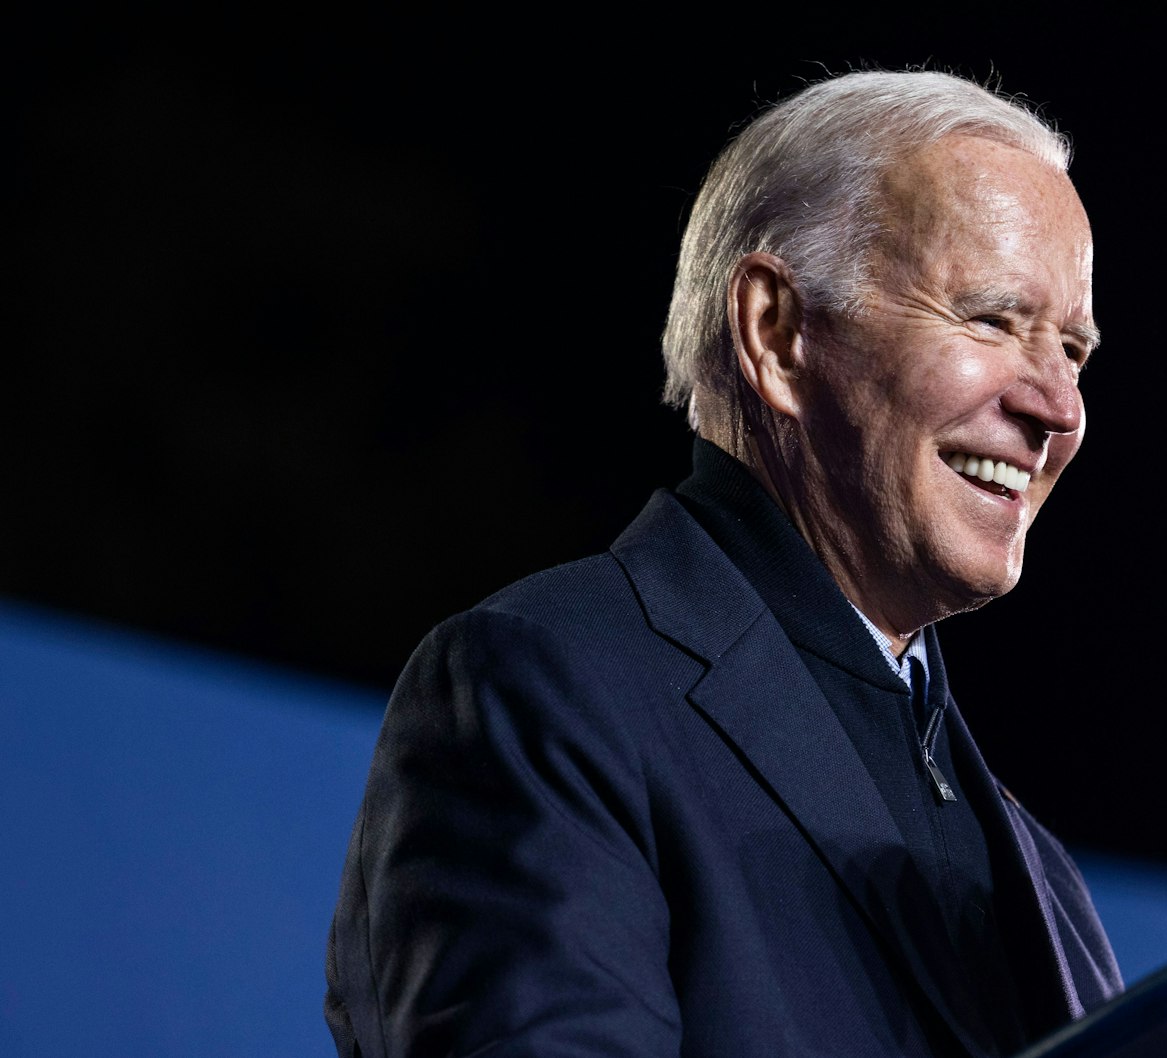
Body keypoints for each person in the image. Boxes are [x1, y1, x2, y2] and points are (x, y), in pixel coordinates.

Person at [324, 69, 1121, 1058]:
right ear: (775, 332)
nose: (1057, 408)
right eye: (994, 319)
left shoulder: (1044, 882)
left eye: (1074, 350)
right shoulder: (549, 686)